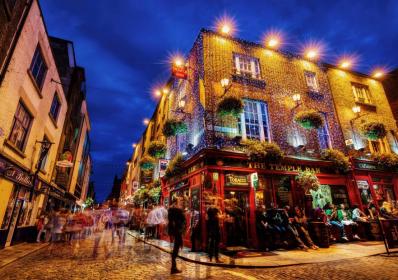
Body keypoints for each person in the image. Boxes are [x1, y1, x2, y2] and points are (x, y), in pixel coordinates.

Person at [167, 198, 186, 274]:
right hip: (177, 231)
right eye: (179, 201)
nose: (180, 203)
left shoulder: (170, 210)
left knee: (175, 247)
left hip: (173, 231)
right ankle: (173, 267)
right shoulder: (177, 210)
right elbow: (182, 220)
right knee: (176, 248)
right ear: (175, 202)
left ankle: (173, 266)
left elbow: (170, 221)